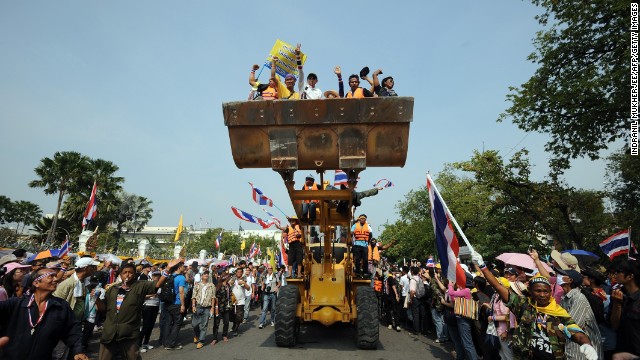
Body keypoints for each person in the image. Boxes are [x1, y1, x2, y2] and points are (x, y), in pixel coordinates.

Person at [472, 251, 599, 360]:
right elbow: (498, 286)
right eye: (538, 291)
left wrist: (587, 345)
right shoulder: (523, 305)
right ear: (531, 292)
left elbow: (577, 333)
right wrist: (482, 266)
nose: (542, 295)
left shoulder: (558, 312)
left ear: (550, 292)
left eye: (546, 291)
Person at [96, 258, 183, 359]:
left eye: (130, 272)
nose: (127, 275)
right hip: (110, 333)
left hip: (129, 333)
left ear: (135, 274)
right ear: (120, 274)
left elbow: (158, 284)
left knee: (133, 357)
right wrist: (96, 299)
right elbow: (103, 309)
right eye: (125, 272)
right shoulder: (112, 289)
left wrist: (167, 269)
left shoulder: (140, 286)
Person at [0, 268, 88, 360]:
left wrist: (78, 351)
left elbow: (72, 330)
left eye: (55, 276)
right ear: (36, 283)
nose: (56, 279)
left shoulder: (61, 306)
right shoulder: (15, 304)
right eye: (51, 276)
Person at [52, 257, 99, 360]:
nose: (94, 269)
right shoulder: (68, 284)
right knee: (59, 355)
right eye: (92, 267)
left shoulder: (83, 283)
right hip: (64, 327)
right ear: (86, 268)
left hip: (75, 325)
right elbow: (56, 305)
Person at [555, 269, 603, 359]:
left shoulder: (578, 298)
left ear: (570, 280)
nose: (558, 276)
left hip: (583, 348)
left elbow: (572, 325)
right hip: (572, 346)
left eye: (562, 275)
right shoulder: (564, 297)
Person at [610, 259, 640, 358]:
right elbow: (614, 325)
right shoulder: (618, 296)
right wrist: (617, 304)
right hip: (622, 351)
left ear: (630, 276)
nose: (615, 274)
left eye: (619, 271)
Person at [161, 262, 187, 350]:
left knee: (168, 323)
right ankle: (171, 343)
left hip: (168, 302)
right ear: (179, 268)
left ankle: (165, 342)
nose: (184, 267)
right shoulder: (181, 277)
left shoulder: (169, 276)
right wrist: (183, 305)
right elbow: (181, 292)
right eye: (183, 266)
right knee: (177, 323)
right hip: (176, 303)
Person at [191, 270, 215, 349]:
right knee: (195, 324)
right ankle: (197, 335)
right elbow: (194, 296)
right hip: (198, 306)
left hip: (207, 307)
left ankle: (201, 341)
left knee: (204, 325)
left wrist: (212, 307)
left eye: (207, 274)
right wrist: (193, 305)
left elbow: (213, 297)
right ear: (201, 276)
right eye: (204, 274)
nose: (206, 275)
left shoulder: (212, 285)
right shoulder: (197, 285)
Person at [139, 272, 161, 353]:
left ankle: (146, 343)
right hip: (147, 306)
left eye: (158, 276)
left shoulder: (159, 285)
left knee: (151, 326)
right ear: (152, 276)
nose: (156, 278)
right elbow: (141, 295)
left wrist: (159, 295)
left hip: (156, 306)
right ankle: (139, 344)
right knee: (146, 326)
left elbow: (160, 295)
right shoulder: (147, 284)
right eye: (155, 276)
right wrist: (151, 295)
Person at [430, 265, 449, 343]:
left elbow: (435, 291)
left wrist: (433, 301)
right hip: (445, 302)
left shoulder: (435, 279)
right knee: (443, 321)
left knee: (438, 321)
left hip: (438, 303)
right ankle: (445, 336)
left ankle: (441, 337)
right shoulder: (446, 279)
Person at [211, 273, 231, 346]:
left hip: (226, 307)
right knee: (216, 323)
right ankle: (214, 338)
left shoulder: (228, 286)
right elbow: (215, 297)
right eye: (228, 277)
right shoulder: (218, 286)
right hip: (219, 307)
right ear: (225, 278)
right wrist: (214, 307)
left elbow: (230, 295)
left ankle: (224, 335)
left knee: (226, 322)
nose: (229, 278)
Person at [229, 267, 250, 336]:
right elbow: (229, 284)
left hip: (241, 300)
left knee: (239, 315)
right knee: (232, 315)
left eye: (240, 272)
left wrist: (244, 283)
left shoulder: (244, 279)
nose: (239, 273)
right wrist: (231, 283)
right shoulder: (233, 278)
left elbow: (248, 288)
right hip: (233, 300)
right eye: (238, 272)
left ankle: (235, 329)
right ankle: (234, 325)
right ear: (236, 273)